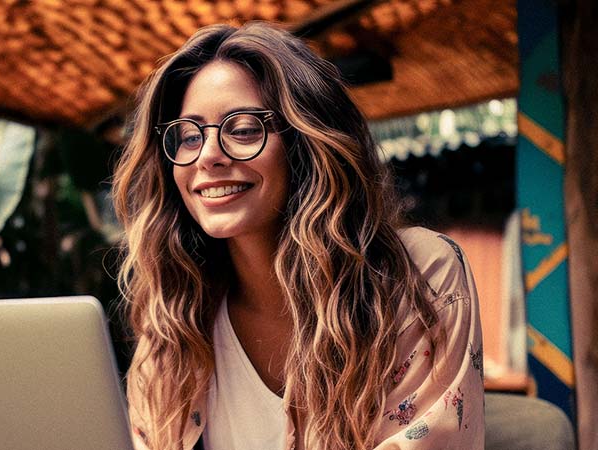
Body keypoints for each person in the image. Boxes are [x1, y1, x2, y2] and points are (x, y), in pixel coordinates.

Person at [112, 22, 484, 450]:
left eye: (244, 128)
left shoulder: (419, 277)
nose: (209, 156)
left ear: (305, 143)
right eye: (188, 135)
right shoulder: (172, 321)